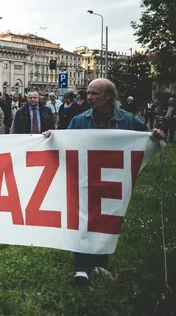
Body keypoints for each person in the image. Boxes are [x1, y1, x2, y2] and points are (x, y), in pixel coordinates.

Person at [66, 78, 163, 285]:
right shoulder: (80, 120)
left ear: (109, 96)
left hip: (112, 181)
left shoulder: (127, 120)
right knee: (82, 220)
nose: (89, 97)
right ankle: (81, 269)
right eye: (88, 93)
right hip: (85, 178)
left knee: (106, 222)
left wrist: (155, 136)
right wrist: (50, 137)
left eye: (94, 94)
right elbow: (65, 142)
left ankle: (100, 266)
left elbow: (145, 138)